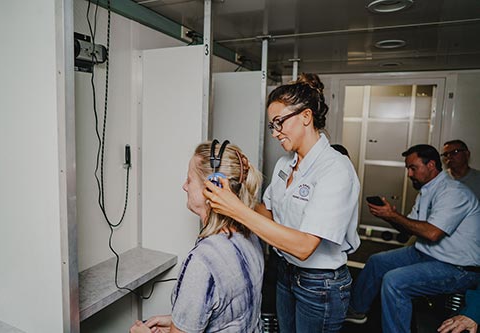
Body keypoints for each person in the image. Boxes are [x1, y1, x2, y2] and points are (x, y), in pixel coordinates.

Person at [204, 73, 361, 332]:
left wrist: (236, 209)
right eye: (272, 126)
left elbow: (303, 246)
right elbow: (268, 213)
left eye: (279, 123)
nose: (275, 133)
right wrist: (236, 190)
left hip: (319, 284)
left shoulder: (335, 170)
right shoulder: (284, 165)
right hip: (286, 273)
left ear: (306, 117)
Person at [129, 140, 264, 333]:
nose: (184, 186)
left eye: (190, 179)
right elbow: (229, 318)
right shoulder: (251, 236)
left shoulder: (202, 262)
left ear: (212, 188)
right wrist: (177, 322)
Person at [345, 144, 480, 333]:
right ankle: (357, 311)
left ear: (431, 165)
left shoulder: (453, 192)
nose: (409, 174)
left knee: (395, 281)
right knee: (377, 261)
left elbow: (432, 233)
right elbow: (410, 229)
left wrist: (393, 216)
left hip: (458, 267)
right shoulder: (427, 191)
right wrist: (389, 215)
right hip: (426, 252)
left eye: (413, 168)